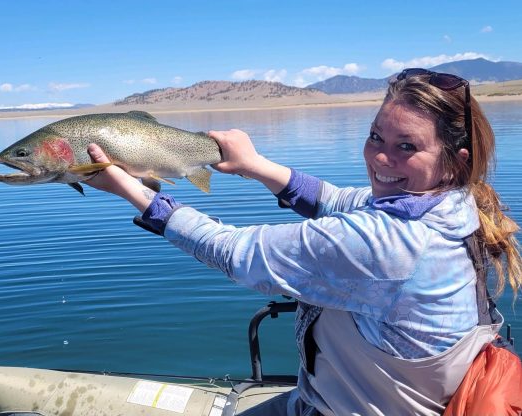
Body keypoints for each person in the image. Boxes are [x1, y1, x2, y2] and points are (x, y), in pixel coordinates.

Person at [84, 68, 522, 415]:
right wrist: (254, 164)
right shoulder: (455, 206)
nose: (379, 158)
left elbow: (235, 251)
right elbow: (337, 201)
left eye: (406, 146)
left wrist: (133, 192)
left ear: (453, 160)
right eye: (375, 137)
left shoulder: (392, 243)